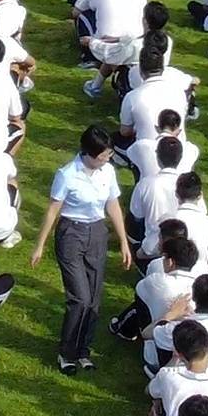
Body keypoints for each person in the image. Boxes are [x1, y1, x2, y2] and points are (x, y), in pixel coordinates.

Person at [32, 126, 133, 373]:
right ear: (90, 154)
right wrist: (40, 245)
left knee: (94, 299)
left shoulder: (107, 172)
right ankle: (66, 353)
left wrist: (123, 241)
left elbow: (113, 205)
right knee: (80, 299)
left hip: (97, 232)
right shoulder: (67, 174)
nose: (108, 159)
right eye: (104, 155)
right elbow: (53, 210)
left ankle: (83, 350)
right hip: (71, 234)